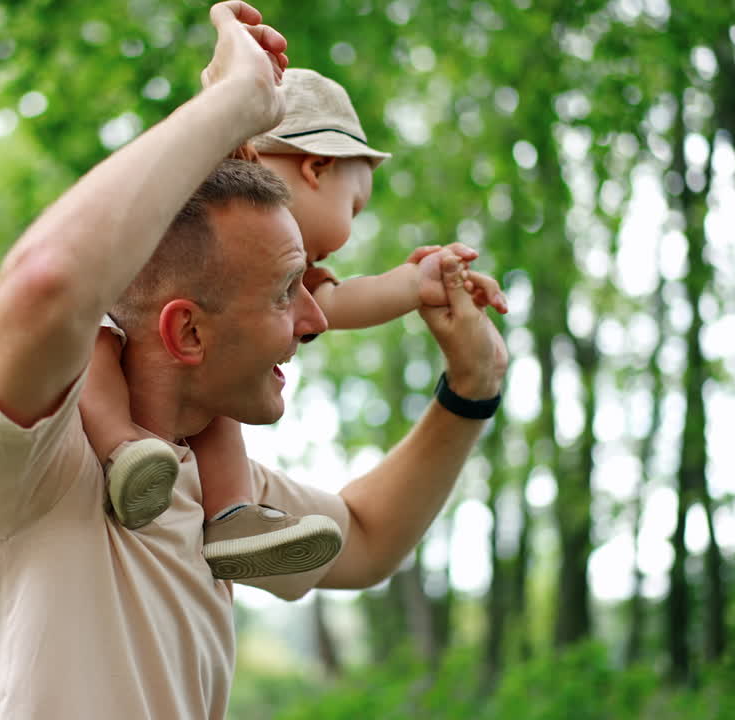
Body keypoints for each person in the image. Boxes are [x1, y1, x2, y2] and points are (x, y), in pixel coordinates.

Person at [0, 4, 508, 718]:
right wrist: (238, 103)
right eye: (288, 291)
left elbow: (369, 542)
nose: (317, 319)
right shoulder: (22, 454)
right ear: (186, 332)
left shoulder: (218, 490)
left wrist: (474, 388)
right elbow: (47, 282)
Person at [82, 67, 509, 582]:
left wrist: (461, 361)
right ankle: (121, 449)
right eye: (354, 205)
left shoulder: (208, 399)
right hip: (99, 356)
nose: (313, 318)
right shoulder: (37, 429)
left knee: (218, 406)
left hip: (180, 423)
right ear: (316, 167)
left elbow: (368, 543)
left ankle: (232, 515)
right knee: (93, 342)